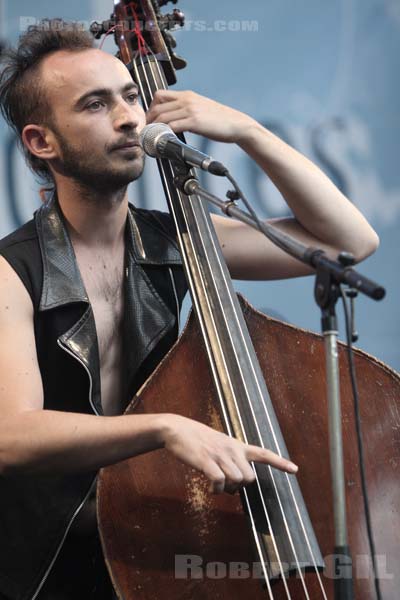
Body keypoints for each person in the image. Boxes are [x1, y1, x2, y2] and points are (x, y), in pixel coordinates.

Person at [0, 22, 378, 600]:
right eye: (96, 104)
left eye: (131, 96)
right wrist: (166, 427)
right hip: (53, 562)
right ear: (41, 141)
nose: (130, 118)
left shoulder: (177, 239)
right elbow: (13, 435)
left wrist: (248, 133)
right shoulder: (13, 269)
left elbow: (348, 242)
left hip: (156, 529)